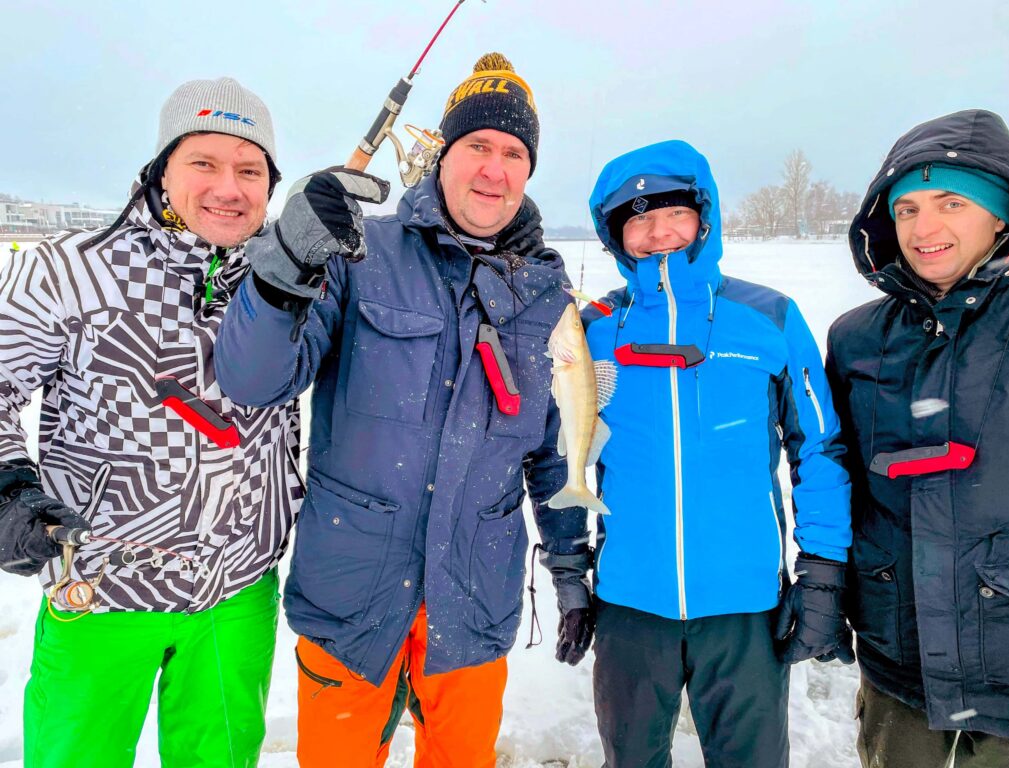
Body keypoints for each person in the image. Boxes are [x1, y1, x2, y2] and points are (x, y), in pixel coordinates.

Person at [214, 53, 591, 768]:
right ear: (443, 154)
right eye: (477, 145)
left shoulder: (547, 295)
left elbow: (552, 452)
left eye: (514, 153)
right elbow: (253, 380)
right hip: (352, 597)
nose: (494, 168)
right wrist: (287, 260)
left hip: (472, 602)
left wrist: (569, 567)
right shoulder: (360, 252)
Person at [0, 77, 303, 768]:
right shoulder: (69, 272)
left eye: (250, 169)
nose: (228, 187)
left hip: (238, 592)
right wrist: (7, 487)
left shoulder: (284, 280)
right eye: (204, 162)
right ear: (162, 170)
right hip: (99, 586)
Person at [583, 139, 854, 768]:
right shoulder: (594, 327)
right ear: (615, 235)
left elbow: (819, 449)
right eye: (639, 220)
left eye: (674, 213)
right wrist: (570, 573)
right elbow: (562, 450)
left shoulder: (768, 317)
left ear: (704, 217)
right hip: (629, 604)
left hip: (745, 604)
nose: (659, 233)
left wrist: (822, 573)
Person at [826, 109, 1009, 767]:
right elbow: (842, 483)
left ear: (1002, 215)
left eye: (952, 203)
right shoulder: (856, 338)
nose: (923, 228)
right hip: (899, 663)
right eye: (906, 209)